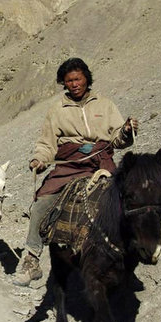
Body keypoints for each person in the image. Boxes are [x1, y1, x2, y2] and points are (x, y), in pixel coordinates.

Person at [12, 57, 138, 286]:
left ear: (87, 79)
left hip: (100, 163)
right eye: (69, 81)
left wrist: (127, 131)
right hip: (69, 165)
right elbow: (47, 144)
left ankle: (134, 252)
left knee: (127, 201)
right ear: (64, 83)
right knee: (41, 203)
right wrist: (39, 160)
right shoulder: (57, 109)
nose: (74, 84)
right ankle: (31, 260)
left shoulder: (105, 105)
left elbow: (118, 138)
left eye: (78, 79)